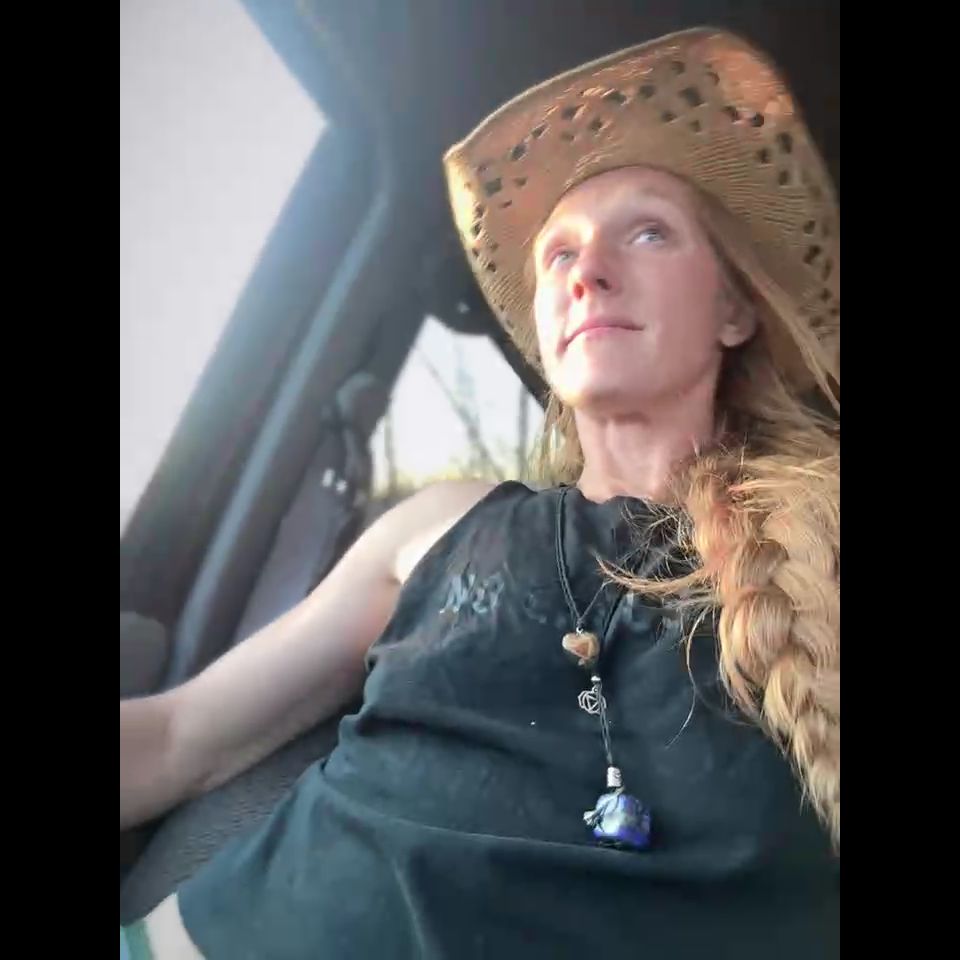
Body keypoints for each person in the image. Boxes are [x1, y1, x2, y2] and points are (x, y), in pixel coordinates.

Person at [120, 27, 840, 959]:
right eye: (559, 256)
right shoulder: (442, 522)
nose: (588, 271)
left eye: (648, 232)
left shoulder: (819, 539)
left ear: (735, 310)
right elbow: (180, 736)